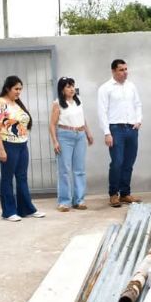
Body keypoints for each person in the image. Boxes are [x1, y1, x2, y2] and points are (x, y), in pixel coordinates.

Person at [0, 76, 46, 221]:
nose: (18, 92)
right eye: (16, 89)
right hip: (7, 144)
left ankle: (26, 209)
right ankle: (9, 211)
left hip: (22, 144)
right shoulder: (0, 103)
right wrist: (1, 149)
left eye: (20, 89)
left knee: (22, 177)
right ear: (8, 88)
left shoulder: (16, 104)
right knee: (7, 177)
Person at [97, 59, 143, 208]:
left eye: (126, 69)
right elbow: (102, 111)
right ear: (113, 71)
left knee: (129, 162)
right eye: (121, 70)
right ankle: (113, 194)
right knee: (117, 162)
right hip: (115, 129)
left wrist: (138, 120)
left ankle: (125, 194)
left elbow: (138, 104)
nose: (125, 72)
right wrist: (106, 132)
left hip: (132, 129)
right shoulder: (105, 88)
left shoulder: (131, 86)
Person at [49, 76, 94, 212]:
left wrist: (88, 133)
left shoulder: (78, 102)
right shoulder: (57, 104)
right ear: (62, 90)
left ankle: (79, 200)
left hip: (79, 136)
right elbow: (52, 124)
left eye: (73, 86)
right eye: (68, 86)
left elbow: (82, 119)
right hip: (65, 136)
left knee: (79, 169)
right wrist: (55, 141)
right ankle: (64, 201)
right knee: (64, 170)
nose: (72, 89)